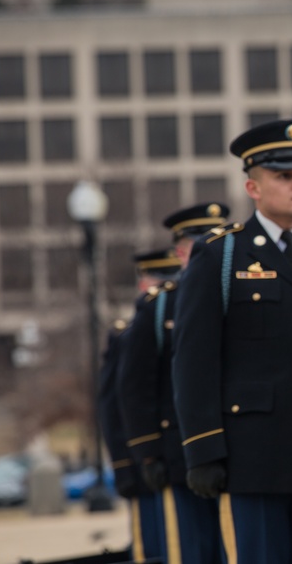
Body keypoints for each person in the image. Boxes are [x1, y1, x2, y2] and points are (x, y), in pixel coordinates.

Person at [172, 119, 292, 564]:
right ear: (253, 187)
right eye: (285, 176)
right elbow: (193, 361)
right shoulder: (219, 255)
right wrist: (202, 449)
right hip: (252, 459)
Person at [118, 204, 230, 564]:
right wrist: (147, 452)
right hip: (178, 453)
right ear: (181, 251)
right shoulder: (160, 307)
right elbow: (136, 386)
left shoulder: (237, 290)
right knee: (190, 551)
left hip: (234, 447)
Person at [99, 249, 181, 562]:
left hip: (177, 457)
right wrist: (125, 466)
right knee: (157, 550)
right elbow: (117, 403)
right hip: (148, 459)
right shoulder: (127, 335)